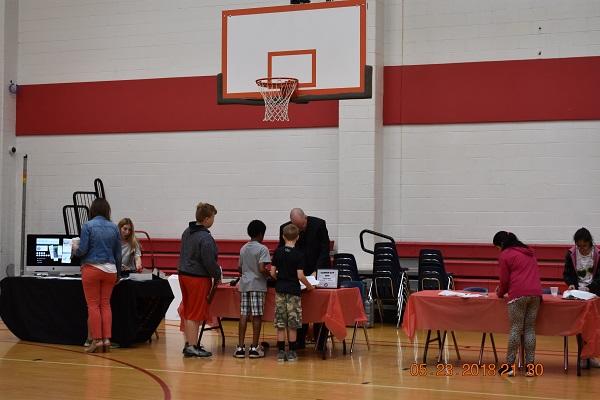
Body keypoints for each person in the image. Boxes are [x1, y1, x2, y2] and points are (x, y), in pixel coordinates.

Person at [73, 198, 122, 353]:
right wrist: (118, 274)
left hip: (92, 269)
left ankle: (96, 340)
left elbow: (82, 250)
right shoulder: (114, 227)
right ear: (107, 210)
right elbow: (118, 254)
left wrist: (74, 249)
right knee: (106, 304)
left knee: (93, 305)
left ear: (92, 210)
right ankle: (107, 339)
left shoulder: (88, 226)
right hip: (111, 270)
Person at [279, 208, 331, 349]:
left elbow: (324, 250)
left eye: (301, 226)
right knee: (299, 307)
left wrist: (316, 271)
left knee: (320, 306)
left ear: (305, 218)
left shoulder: (319, 225)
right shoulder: (286, 229)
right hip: (298, 273)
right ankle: (299, 341)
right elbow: (283, 250)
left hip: (316, 270)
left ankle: (320, 341)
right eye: (296, 227)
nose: (300, 229)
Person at [493, 231, 542, 377]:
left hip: (518, 295)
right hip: (535, 294)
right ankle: (530, 368)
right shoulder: (529, 252)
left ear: (502, 244)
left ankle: (509, 366)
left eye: (497, 247)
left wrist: (500, 293)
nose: (498, 250)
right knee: (529, 329)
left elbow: (504, 281)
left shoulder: (506, 254)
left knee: (515, 329)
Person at [178, 202, 221, 358]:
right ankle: (192, 346)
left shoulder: (187, 231)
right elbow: (209, 261)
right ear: (206, 219)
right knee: (195, 312)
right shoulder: (205, 237)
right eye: (213, 217)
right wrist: (217, 274)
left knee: (188, 310)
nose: (213, 221)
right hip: (197, 277)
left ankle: (190, 343)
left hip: (183, 274)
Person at [271, 224, 315, 362]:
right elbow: (300, 275)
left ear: (283, 237)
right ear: (297, 237)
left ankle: (280, 352)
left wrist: (280, 279)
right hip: (293, 292)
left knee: (280, 323)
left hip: (280, 290)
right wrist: (309, 286)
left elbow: (272, 272)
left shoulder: (278, 252)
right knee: (292, 323)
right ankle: (292, 352)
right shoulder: (299, 254)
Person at [563, 227, 600, 368]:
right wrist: (571, 284)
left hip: (594, 294)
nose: (581, 249)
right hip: (578, 294)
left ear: (590, 242)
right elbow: (567, 273)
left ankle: (591, 356)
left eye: (584, 246)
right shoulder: (571, 254)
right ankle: (583, 356)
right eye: (579, 246)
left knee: (594, 327)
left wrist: (591, 287)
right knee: (581, 326)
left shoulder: (598, 254)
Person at [234, 220, 271, 359]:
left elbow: (239, 268)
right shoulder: (263, 249)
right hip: (257, 285)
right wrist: (269, 274)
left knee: (244, 314)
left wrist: (247, 272)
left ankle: (240, 347)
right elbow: (262, 268)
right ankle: (254, 348)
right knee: (256, 315)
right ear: (261, 234)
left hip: (244, 285)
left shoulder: (243, 248)